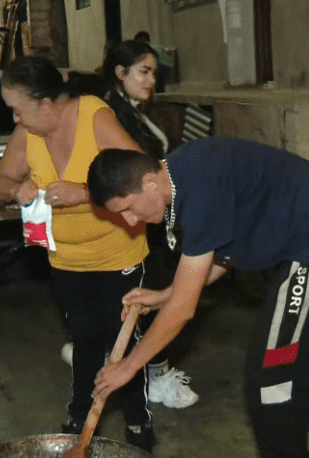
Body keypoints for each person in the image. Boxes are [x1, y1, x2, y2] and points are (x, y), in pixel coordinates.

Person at [86, 137, 309, 458]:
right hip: (298, 241)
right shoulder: (178, 176)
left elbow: (184, 310)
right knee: (298, 354)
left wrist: (130, 366)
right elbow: (216, 257)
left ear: (147, 183)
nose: (129, 221)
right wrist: (167, 294)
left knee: (273, 372)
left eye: (127, 209)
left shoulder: (198, 190)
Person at [0, 57, 157, 451]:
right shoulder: (27, 132)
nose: (16, 118)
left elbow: (143, 175)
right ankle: (81, 414)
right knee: (84, 339)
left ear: (47, 104)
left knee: (123, 341)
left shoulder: (94, 117)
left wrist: (84, 191)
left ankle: (136, 419)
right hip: (66, 261)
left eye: (19, 109)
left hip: (118, 253)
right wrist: (16, 191)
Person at [58, 40, 198, 409]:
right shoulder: (111, 114)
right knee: (149, 292)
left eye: (154, 72)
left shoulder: (140, 110)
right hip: (138, 217)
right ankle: (148, 370)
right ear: (120, 74)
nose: (152, 79)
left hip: (157, 211)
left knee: (163, 288)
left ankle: (139, 363)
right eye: (144, 72)